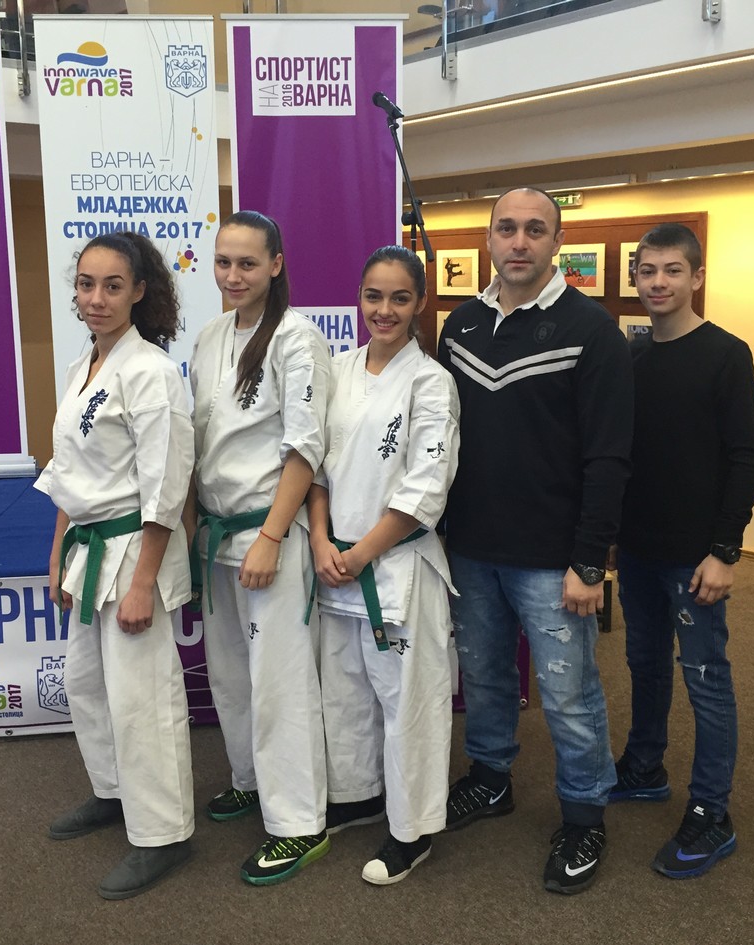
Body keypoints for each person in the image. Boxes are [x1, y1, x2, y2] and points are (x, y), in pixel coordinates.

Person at [437, 187, 633, 895]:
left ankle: (584, 814)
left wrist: (590, 561)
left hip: (554, 560)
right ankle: (491, 778)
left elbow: (609, 456)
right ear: (489, 237)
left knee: (567, 692)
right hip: (471, 549)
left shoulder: (592, 329)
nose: (519, 241)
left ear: (556, 242)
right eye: (507, 228)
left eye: (535, 229)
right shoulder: (460, 324)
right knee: (485, 677)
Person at [36, 231, 196, 900]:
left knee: (142, 698)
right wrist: (57, 551)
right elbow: (69, 470)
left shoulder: (151, 372)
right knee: (87, 685)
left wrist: (142, 583)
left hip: (133, 550)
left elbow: (166, 486)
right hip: (87, 547)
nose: (95, 298)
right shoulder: (86, 364)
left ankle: (164, 832)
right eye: (85, 284)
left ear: (138, 292)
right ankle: (112, 790)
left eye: (111, 285)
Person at [611, 222, 754, 879]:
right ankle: (645, 767)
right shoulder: (633, 357)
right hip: (638, 549)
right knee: (644, 664)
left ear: (697, 277)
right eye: (647, 271)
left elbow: (747, 458)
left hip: (695, 556)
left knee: (705, 676)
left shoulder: (726, 354)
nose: (659, 282)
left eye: (673, 270)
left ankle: (711, 811)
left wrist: (725, 551)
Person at [187, 210, 332, 886]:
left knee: (279, 682)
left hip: (267, 531)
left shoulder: (297, 340)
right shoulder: (211, 336)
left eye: (247, 263)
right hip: (216, 532)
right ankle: (249, 778)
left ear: (276, 264)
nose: (233, 275)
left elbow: (305, 447)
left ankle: (299, 821)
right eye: (224, 262)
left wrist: (272, 535)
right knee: (229, 674)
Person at [310, 246, 460, 885]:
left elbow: (426, 486)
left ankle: (412, 830)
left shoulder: (431, 382)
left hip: (396, 566)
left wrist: (360, 553)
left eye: (400, 298)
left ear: (420, 302)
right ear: (359, 298)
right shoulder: (339, 369)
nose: (385, 310)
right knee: (344, 692)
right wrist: (321, 542)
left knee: (408, 703)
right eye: (374, 296)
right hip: (336, 561)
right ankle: (359, 795)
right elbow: (315, 467)